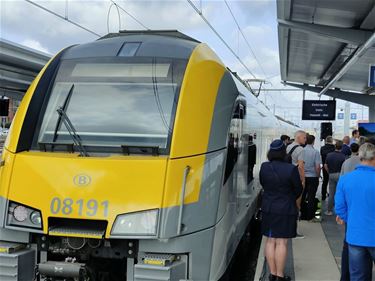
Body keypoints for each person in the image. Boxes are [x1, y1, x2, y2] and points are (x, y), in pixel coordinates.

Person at [260, 140, 303, 281]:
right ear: (283, 152)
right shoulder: (290, 169)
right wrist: (288, 197)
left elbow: (263, 184)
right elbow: (298, 189)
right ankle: (279, 275)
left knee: (270, 241)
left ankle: (272, 274)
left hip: (268, 208)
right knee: (282, 242)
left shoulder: (264, 167)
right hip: (285, 209)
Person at [335, 143, 375, 281]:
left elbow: (339, 208)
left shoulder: (346, 179)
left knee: (358, 276)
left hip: (355, 236)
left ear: (360, 157)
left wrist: (350, 219)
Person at [338, 142, 361, 281]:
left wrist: (343, 215)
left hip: (352, 218)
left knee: (349, 249)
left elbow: (340, 195)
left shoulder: (347, 164)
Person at [286, 130, 306, 238]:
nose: (305, 140)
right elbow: (301, 166)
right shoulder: (300, 149)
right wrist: (303, 180)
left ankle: (285, 227)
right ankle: (293, 231)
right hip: (296, 179)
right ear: (298, 137)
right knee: (296, 204)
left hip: (287, 178)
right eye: (304, 138)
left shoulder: (288, 147)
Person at [301, 135, 321, 221]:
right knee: (311, 197)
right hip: (312, 177)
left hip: (302, 177)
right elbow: (317, 166)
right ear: (313, 141)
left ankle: (301, 214)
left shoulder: (301, 151)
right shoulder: (315, 152)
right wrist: (318, 175)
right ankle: (310, 216)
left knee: (302, 196)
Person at [324, 141, 346, 215]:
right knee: (340, 193)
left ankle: (329, 211)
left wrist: (329, 172)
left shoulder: (329, 155)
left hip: (331, 174)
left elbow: (325, 165)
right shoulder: (343, 156)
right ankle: (339, 211)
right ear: (341, 147)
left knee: (331, 193)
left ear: (335, 146)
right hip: (340, 175)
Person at [320, 136, 335, 201]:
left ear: (326, 141)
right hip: (333, 167)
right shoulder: (334, 147)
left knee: (325, 181)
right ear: (331, 141)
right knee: (333, 183)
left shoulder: (322, 148)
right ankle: (333, 197)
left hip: (325, 167)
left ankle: (323, 196)